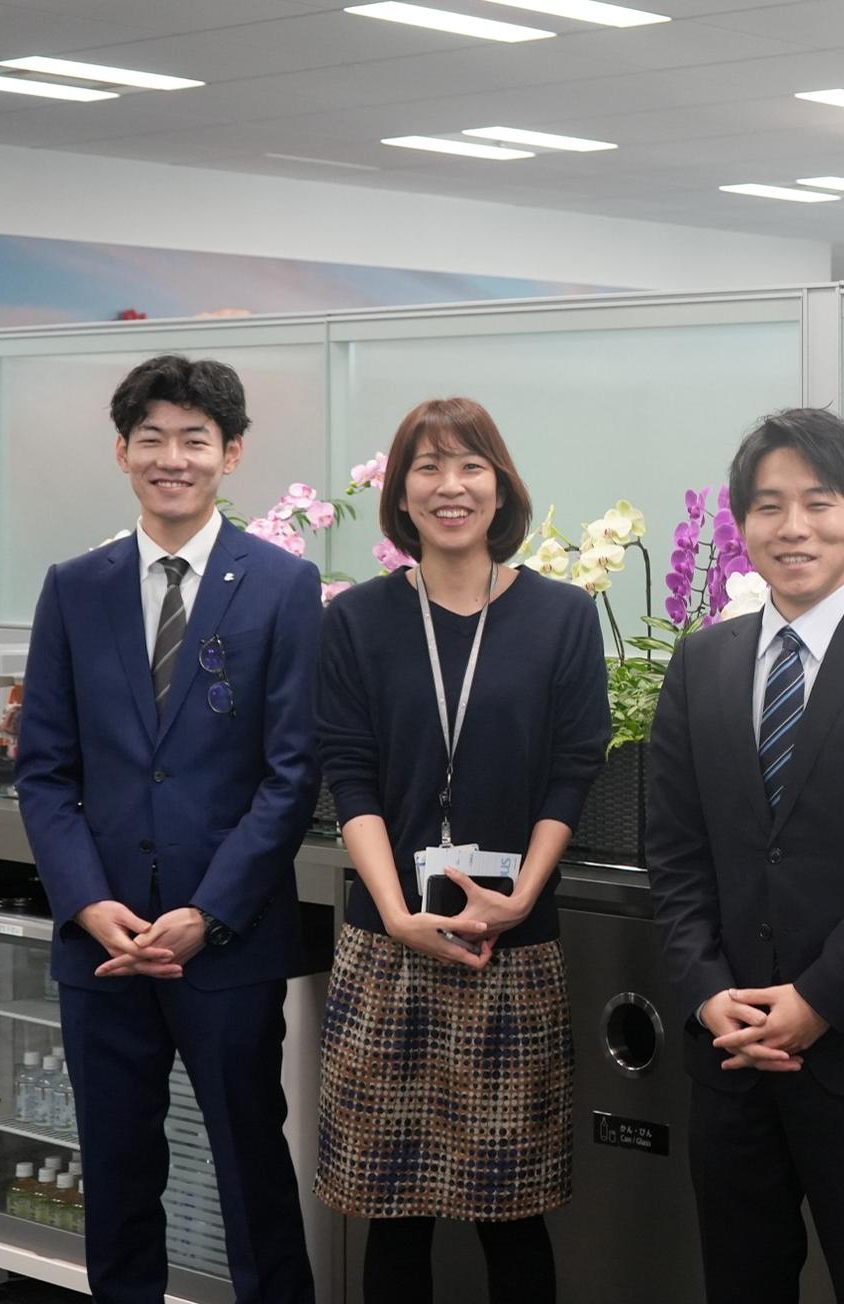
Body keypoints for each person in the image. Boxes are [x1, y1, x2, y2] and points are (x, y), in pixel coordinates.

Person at [645, 407, 844, 1304]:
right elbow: (674, 853)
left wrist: (819, 1000)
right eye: (769, 506)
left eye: (819, 503)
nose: (793, 527)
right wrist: (708, 993)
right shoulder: (701, 663)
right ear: (741, 524)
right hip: (730, 1052)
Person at [16, 354, 319, 1303]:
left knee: (250, 1171)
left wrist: (207, 913)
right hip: (103, 944)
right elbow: (45, 771)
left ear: (232, 453)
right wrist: (87, 904)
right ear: (122, 452)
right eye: (152, 439)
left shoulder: (282, 585)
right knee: (115, 1177)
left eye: (195, 439)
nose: (172, 458)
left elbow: (291, 774)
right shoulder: (75, 587)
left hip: (226, 942)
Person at [314, 397, 609, 1303]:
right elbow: (349, 775)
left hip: (511, 948)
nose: (452, 487)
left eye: (470, 466)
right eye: (429, 467)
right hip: (387, 947)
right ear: (401, 495)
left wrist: (521, 895)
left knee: (512, 1211)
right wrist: (397, 912)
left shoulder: (561, 615)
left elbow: (573, 770)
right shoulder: (357, 620)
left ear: (501, 486)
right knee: (390, 1209)